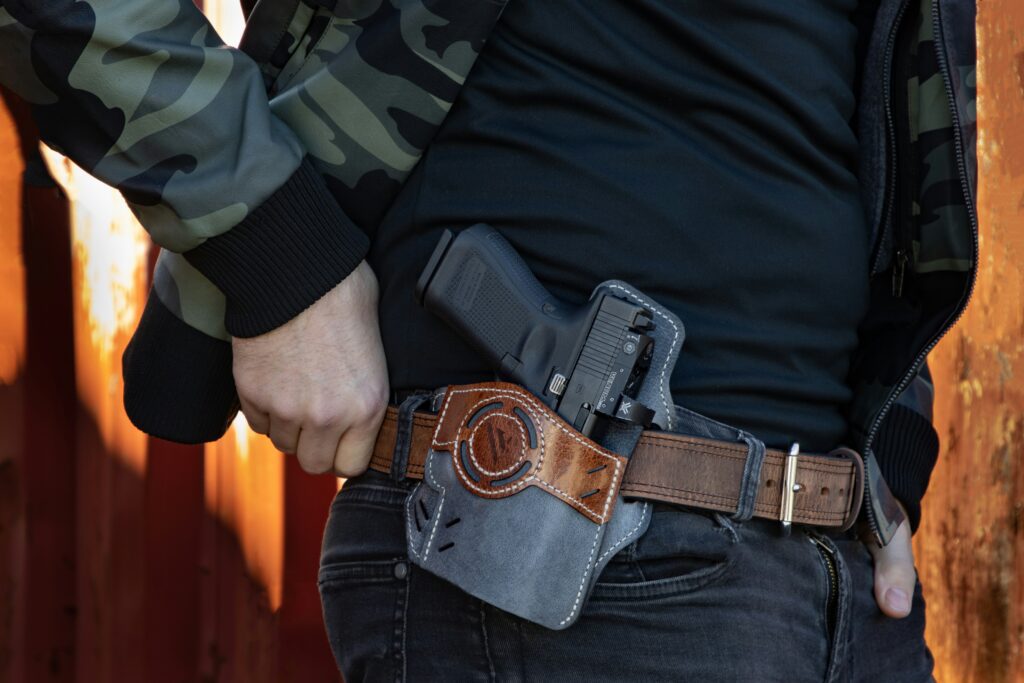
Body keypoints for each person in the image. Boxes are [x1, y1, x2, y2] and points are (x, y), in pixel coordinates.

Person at [0, 0, 976, 680]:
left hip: (836, 566)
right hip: (566, 528)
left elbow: (879, 105)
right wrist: (275, 252)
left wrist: (884, 453)